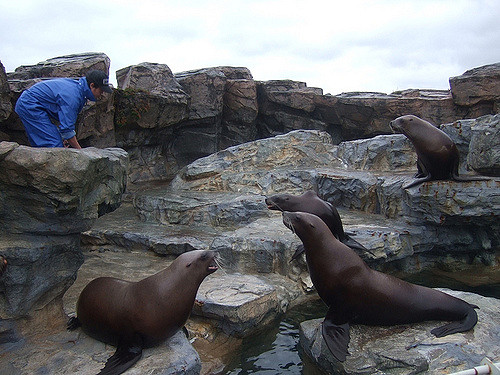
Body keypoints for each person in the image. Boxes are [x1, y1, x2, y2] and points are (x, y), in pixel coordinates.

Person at [14, 70, 113, 149]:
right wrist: (81, 153)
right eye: (101, 90)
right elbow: (67, 129)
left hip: (33, 104)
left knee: (53, 141)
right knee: (53, 144)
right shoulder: (73, 96)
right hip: (29, 104)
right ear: (92, 85)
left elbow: (66, 124)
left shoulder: (79, 91)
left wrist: (65, 137)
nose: (102, 94)